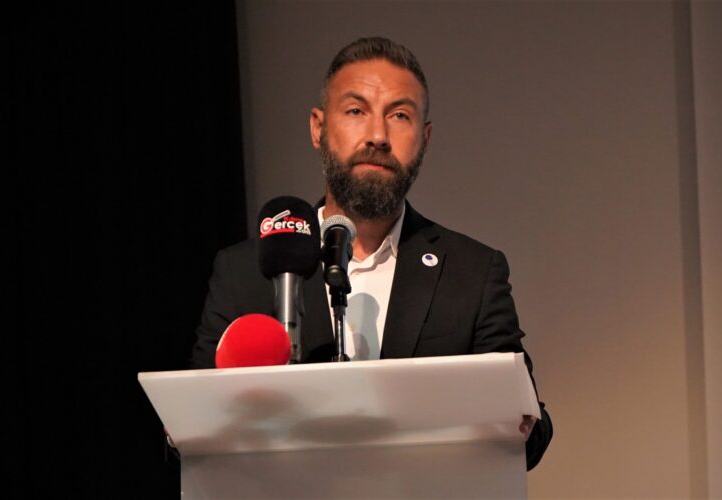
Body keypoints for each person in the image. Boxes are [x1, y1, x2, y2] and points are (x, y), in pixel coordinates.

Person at [190, 36, 552, 470]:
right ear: (318, 128)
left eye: (400, 115)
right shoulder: (243, 272)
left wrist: (519, 420)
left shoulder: (472, 272)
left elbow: (529, 436)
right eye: (356, 111)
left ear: (425, 138)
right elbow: (190, 432)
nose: (378, 136)